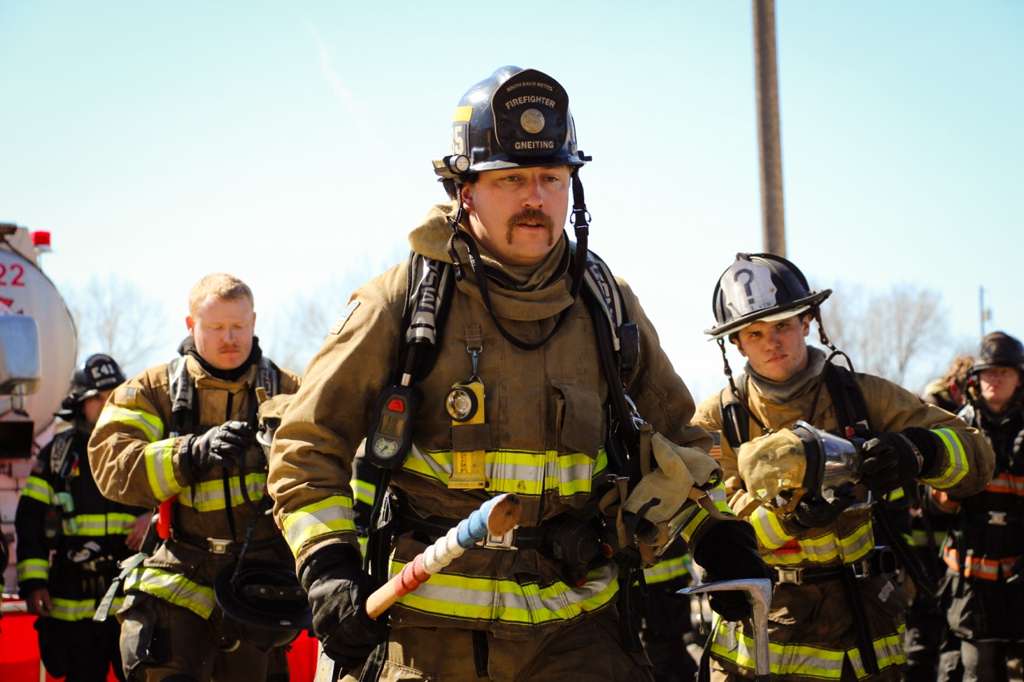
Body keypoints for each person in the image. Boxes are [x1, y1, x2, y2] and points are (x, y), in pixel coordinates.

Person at [266, 66, 767, 682]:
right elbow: (306, 445)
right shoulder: (399, 303)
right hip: (432, 639)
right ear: (464, 191)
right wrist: (327, 564)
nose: (535, 198)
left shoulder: (607, 306)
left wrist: (715, 534)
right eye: (511, 179)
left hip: (581, 631)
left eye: (550, 178)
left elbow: (678, 445)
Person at [692, 252, 994, 681]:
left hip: (862, 628)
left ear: (808, 322)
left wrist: (921, 450)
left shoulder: (864, 397)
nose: (771, 342)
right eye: (755, 333)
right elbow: (700, 516)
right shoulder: (717, 422)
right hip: (764, 634)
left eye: (783, 325)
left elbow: (978, 457)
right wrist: (789, 520)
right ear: (736, 343)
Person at [87, 273, 300, 682]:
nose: (230, 338)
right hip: (178, 571)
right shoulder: (150, 391)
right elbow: (111, 466)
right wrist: (189, 453)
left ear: (254, 321)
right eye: (216, 327)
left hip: (261, 581)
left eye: (238, 326)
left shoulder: (292, 392)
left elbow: (332, 469)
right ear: (190, 325)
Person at [15, 354, 148, 682]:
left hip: (130, 602)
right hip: (72, 601)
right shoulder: (58, 456)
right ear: (80, 403)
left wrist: (153, 518)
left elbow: (178, 501)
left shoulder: (142, 449)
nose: (107, 406)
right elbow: (29, 521)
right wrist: (34, 584)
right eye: (98, 398)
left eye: (114, 397)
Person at [937, 331, 1024, 682]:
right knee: (976, 671)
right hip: (971, 585)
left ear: (1019, 378)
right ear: (976, 380)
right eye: (989, 371)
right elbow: (935, 505)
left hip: (1020, 578)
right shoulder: (958, 428)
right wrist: (947, 491)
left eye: (1004, 370)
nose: (996, 378)